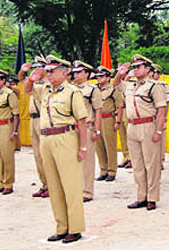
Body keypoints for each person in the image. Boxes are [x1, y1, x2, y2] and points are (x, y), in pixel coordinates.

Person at [25, 55, 88, 243]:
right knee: (54, 186)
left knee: (71, 186)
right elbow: (27, 90)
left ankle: (75, 228)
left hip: (65, 137)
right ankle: (61, 227)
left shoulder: (72, 92)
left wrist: (82, 147)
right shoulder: (45, 90)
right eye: (48, 71)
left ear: (64, 72)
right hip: (46, 139)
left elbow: (82, 121)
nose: (49, 74)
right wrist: (30, 78)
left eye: (52, 71)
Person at [117, 55, 166, 211]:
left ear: (147, 69)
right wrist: (120, 73)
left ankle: (152, 198)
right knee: (137, 164)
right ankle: (141, 197)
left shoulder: (154, 86)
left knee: (151, 164)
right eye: (134, 67)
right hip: (132, 126)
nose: (135, 69)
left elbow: (161, 109)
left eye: (139, 66)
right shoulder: (130, 85)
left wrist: (159, 130)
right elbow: (116, 85)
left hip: (147, 124)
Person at [18, 57, 50, 198]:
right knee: (37, 155)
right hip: (33, 119)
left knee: (46, 155)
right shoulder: (34, 83)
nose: (36, 69)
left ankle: (51, 185)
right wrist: (23, 71)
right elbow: (22, 81)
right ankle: (44, 184)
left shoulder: (48, 84)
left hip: (43, 119)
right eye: (35, 67)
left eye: (40, 67)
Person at [72, 60, 102, 202]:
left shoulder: (92, 90)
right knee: (73, 160)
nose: (76, 75)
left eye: (79, 72)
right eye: (75, 72)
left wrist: (97, 130)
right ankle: (76, 189)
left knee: (87, 161)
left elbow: (98, 110)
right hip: (72, 128)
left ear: (87, 74)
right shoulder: (71, 89)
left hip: (87, 127)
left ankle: (87, 191)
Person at [0, 68, 20, 195]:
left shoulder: (9, 94)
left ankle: (9, 183)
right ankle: (1, 181)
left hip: (5, 126)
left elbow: (16, 114)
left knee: (7, 156)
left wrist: (15, 131)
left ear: (3, 80)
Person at [95, 66, 123, 182]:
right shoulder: (95, 90)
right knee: (99, 145)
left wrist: (118, 121)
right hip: (98, 119)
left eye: (102, 76)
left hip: (108, 118)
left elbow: (120, 106)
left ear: (107, 77)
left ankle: (112, 171)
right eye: (98, 76)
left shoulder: (113, 90)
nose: (99, 78)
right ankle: (103, 170)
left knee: (110, 145)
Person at [149, 63, 169, 170]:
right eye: (153, 72)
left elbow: (167, 102)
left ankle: (160, 160)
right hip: (149, 115)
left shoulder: (163, 85)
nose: (155, 74)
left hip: (160, 114)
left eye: (157, 72)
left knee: (160, 138)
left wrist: (165, 116)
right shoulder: (145, 84)